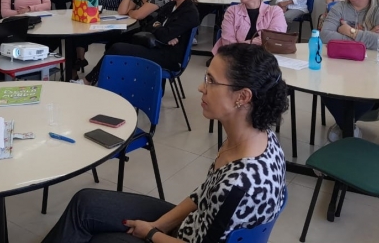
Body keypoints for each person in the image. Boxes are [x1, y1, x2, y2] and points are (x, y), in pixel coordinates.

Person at [44, 43, 288, 243]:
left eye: (211, 81)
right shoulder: (258, 137)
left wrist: (151, 234)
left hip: (190, 237)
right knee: (84, 202)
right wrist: (158, 225)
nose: (201, 87)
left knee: (102, 239)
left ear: (242, 97)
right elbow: (203, 196)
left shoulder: (239, 184)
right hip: (192, 226)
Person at [75, 0, 199, 86]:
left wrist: (161, 31)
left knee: (117, 48)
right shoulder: (171, 5)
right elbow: (151, 25)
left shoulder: (189, 12)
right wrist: (163, 32)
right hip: (157, 45)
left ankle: (89, 80)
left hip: (169, 56)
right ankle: (107, 81)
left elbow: (162, 33)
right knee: (116, 42)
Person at [320, 0, 379, 141]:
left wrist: (349, 31)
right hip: (338, 63)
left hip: (370, 67)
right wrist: (367, 35)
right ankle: (346, 125)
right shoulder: (339, 7)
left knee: (369, 91)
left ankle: (345, 124)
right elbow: (325, 35)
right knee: (324, 87)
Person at [72, 0, 129, 76]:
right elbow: (89, 4)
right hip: (94, 24)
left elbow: (124, 12)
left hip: (112, 27)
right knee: (75, 36)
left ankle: (104, 73)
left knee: (115, 41)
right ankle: (78, 63)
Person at [212, 0, 286, 53]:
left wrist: (241, 45)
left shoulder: (275, 12)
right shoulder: (231, 11)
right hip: (234, 57)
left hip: (263, 58)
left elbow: (273, 39)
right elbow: (228, 42)